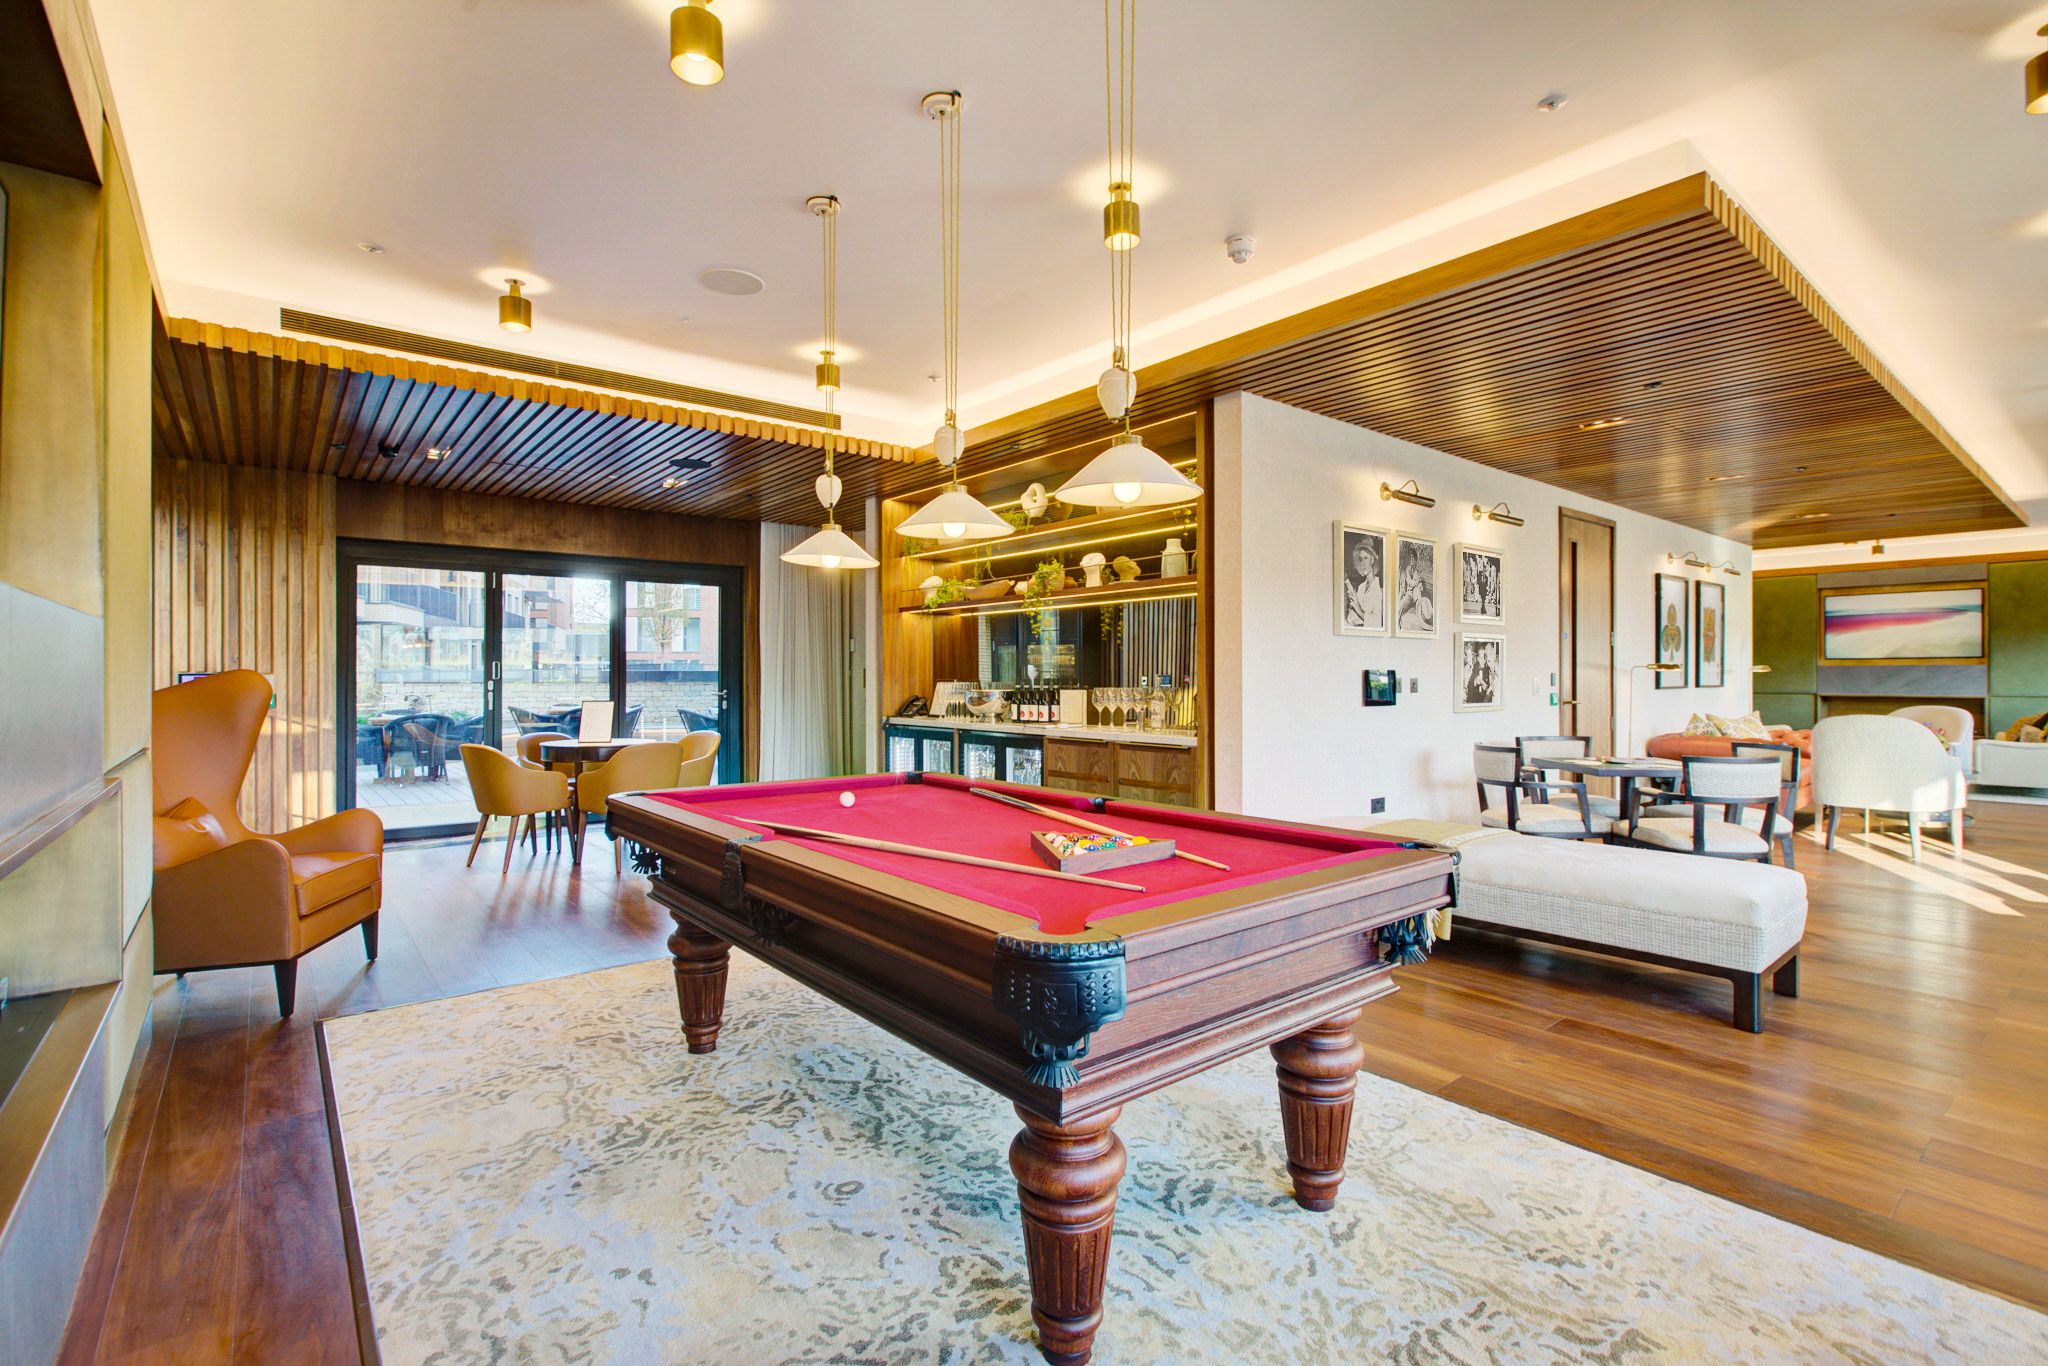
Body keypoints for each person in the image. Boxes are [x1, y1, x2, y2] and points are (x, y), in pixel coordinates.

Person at [1344, 536, 1383, 630]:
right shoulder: (1361, 587)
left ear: (1372, 560)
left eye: (1366, 558)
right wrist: (1351, 607)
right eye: (1361, 559)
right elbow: (1352, 618)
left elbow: (1378, 622)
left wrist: (1357, 608)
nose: (1363, 563)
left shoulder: (1379, 587)